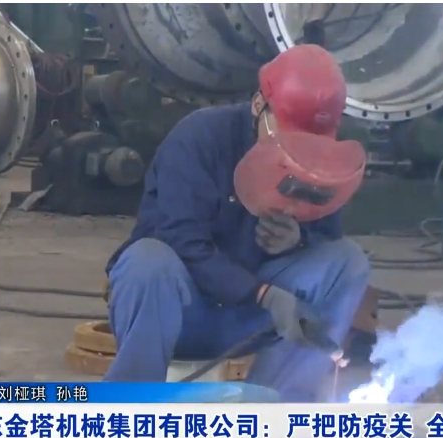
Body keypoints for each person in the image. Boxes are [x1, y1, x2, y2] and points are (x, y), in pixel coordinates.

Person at [103, 44, 370, 402]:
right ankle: (129, 407)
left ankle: (276, 407)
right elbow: (180, 239)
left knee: (346, 262)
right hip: (179, 313)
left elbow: (327, 242)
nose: (300, 152)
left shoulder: (320, 163)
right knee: (147, 261)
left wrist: (299, 241)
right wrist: (262, 294)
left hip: (252, 321)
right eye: (291, 136)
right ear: (259, 105)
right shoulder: (201, 138)